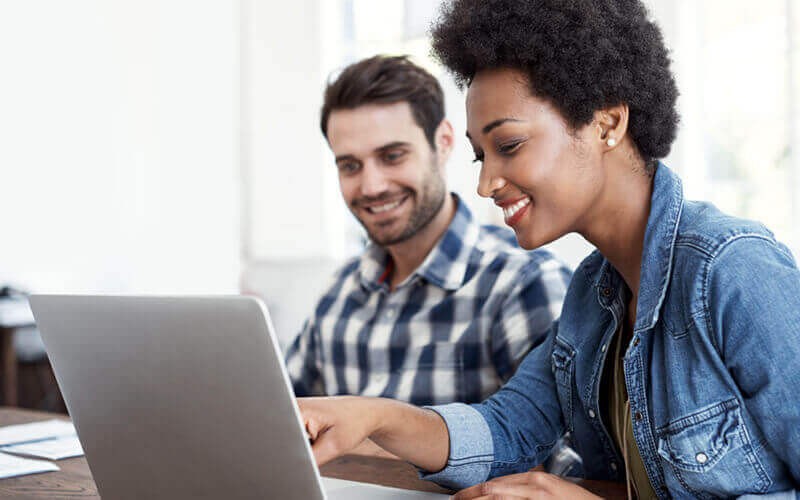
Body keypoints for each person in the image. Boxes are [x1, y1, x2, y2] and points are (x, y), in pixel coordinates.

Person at [297, 1, 800, 498]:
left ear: (607, 124)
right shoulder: (592, 297)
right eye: (480, 156)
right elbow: (508, 429)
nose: (486, 184)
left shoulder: (734, 269)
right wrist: (372, 416)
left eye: (509, 145)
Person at [285, 55, 571, 408]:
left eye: (392, 156)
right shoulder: (338, 292)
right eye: (350, 166)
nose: (372, 186)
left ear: (444, 142)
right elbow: (278, 418)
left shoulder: (522, 285)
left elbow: (560, 442)